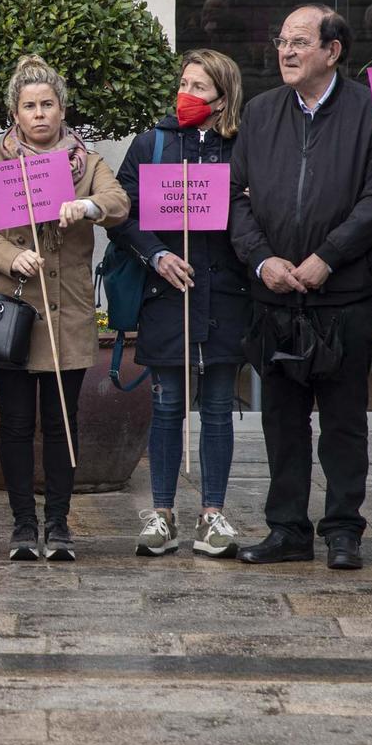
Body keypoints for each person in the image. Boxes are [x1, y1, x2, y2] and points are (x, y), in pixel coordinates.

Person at [230, 4, 372, 570]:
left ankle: (344, 530)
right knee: (281, 420)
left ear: (333, 50)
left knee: (344, 420)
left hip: (342, 295)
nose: (286, 51)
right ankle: (287, 529)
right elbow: (235, 198)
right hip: (275, 295)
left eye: (300, 41)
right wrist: (261, 261)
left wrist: (327, 257)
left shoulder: (370, 113)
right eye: (282, 41)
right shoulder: (258, 113)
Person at [0, 55, 130, 562]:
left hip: (68, 312)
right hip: (13, 312)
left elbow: (119, 202)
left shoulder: (89, 161)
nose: (39, 114)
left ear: (62, 109)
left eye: (48, 104)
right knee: (15, 423)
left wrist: (89, 207)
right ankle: (21, 526)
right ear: (15, 113)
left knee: (62, 420)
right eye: (29, 105)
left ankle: (59, 525)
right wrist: (10, 256)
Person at [109, 49, 251, 559]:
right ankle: (163, 513)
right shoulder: (153, 143)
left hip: (226, 293)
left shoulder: (243, 145)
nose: (186, 95)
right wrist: (157, 253)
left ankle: (212, 514)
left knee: (216, 406)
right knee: (168, 404)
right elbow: (122, 211)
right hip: (167, 291)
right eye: (184, 83)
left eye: (199, 87)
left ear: (222, 97)